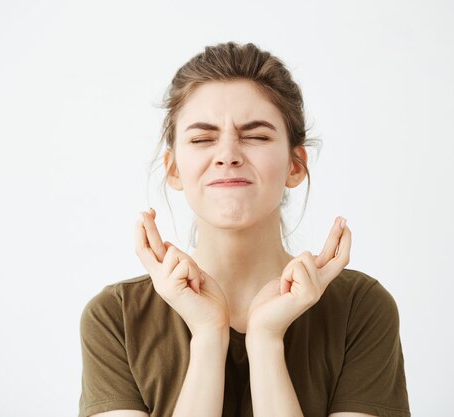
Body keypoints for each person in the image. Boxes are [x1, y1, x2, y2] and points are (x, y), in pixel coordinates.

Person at [78, 41, 410, 417]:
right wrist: (208, 337)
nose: (228, 154)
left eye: (256, 136)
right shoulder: (115, 317)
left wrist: (267, 342)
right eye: (202, 139)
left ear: (295, 165)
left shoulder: (359, 308)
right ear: (173, 169)